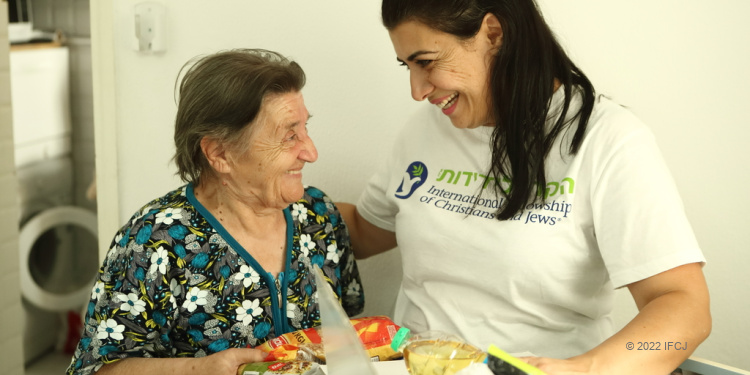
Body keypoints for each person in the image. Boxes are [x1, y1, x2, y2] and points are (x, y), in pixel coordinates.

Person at [337, 0, 711, 373]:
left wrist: (588, 368)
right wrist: (282, 191)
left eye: (426, 62)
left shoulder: (607, 141)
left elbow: (687, 315)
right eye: (407, 66)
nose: (417, 91)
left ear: (493, 33)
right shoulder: (424, 129)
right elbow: (361, 233)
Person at [67, 49, 364, 375]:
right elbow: (95, 371)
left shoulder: (317, 217)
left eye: (305, 128)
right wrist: (198, 370)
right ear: (219, 153)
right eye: (289, 135)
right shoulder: (155, 241)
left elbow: (350, 335)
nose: (310, 151)